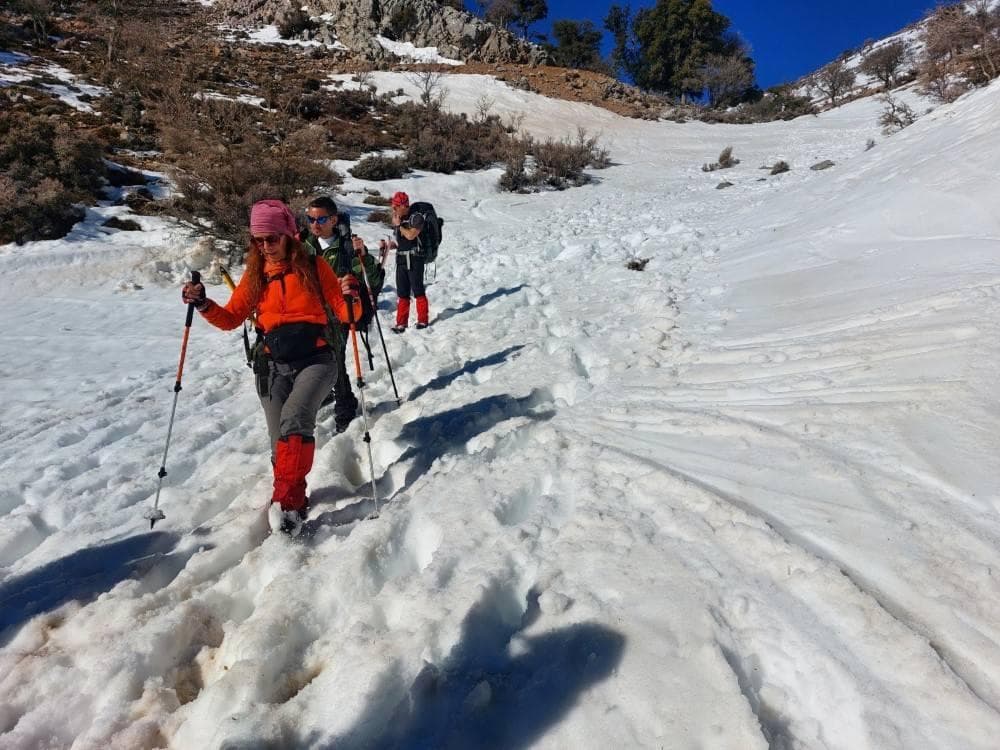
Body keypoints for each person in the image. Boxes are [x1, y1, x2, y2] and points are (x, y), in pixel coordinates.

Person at [181, 199, 362, 534]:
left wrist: (352, 296)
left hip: (317, 359)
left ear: (288, 235)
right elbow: (231, 318)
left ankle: (286, 507)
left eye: (272, 238)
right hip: (272, 365)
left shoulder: (313, 265)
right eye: (258, 240)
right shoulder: (256, 274)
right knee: (279, 441)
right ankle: (295, 496)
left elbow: (347, 314)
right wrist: (204, 304)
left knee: (295, 421)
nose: (265, 246)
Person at [301, 196, 384, 433]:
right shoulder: (304, 245)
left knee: (334, 360)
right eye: (311, 219)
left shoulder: (347, 247)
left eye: (321, 219)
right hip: (309, 315)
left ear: (333, 219)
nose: (315, 224)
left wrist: (364, 257)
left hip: (338, 315)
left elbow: (374, 281)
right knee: (313, 360)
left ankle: (345, 405)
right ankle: (326, 392)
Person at [382, 191, 430, 333]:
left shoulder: (416, 218)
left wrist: (398, 226)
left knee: (418, 289)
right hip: (401, 259)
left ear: (404, 205)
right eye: (393, 206)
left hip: (415, 259)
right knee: (402, 292)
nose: (394, 209)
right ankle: (401, 323)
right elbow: (403, 241)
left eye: (396, 206)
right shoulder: (400, 219)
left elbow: (411, 236)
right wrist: (392, 245)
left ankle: (423, 320)